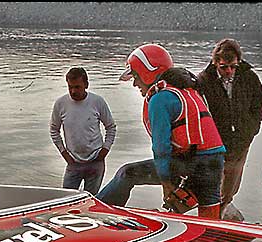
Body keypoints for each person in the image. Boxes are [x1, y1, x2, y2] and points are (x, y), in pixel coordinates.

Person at [97, 44, 226, 219]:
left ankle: (99, 214)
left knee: (126, 173)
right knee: (209, 208)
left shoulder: (160, 98)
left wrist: (165, 182)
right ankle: (209, 237)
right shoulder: (189, 90)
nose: (135, 83)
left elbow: (161, 148)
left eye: (135, 76)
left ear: (147, 72)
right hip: (216, 161)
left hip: (192, 164)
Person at [198, 38, 262, 220]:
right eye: (224, 67)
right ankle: (213, 215)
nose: (228, 71)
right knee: (213, 183)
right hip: (215, 142)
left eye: (233, 67)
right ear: (215, 63)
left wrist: (252, 129)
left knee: (232, 184)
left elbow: (259, 105)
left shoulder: (249, 77)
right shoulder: (204, 80)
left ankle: (223, 210)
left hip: (241, 138)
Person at [49, 67, 117, 195]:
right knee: (66, 199)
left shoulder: (97, 102)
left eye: (77, 87)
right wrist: (64, 153)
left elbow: (111, 127)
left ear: (86, 85)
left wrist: (105, 150)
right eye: (70, 87)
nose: (73, 91)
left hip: (96, 161)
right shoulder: (61, 104)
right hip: (73, 162)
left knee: (91, 200)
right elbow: (54, 130)